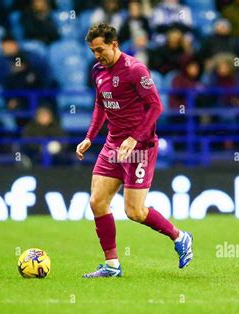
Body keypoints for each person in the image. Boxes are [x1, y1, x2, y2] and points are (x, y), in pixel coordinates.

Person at [75, 23, 193, 278]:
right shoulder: (98, 70)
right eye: (93, 51)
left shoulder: (135, 70)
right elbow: (100, 105)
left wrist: (134, 138)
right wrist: (89, 137)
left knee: (134, 212)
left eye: (100, 49)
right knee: (97, 201)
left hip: (140, 148)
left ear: (114, 44)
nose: (96, 55)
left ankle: (180, 237)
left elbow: (156, 107)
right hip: (113, 145)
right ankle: (112, 265)